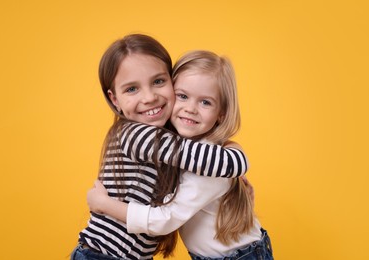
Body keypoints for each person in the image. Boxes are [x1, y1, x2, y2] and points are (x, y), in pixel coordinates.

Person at [71, 34, 250, 260]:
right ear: (114, 99)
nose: (149, 97)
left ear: (171, 80)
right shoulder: (139, 136)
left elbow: (209, 160)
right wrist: (104, 205)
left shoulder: (166, 136)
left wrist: (230, 187)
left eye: (158, 82)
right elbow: (233, 163)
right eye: (131, 89)